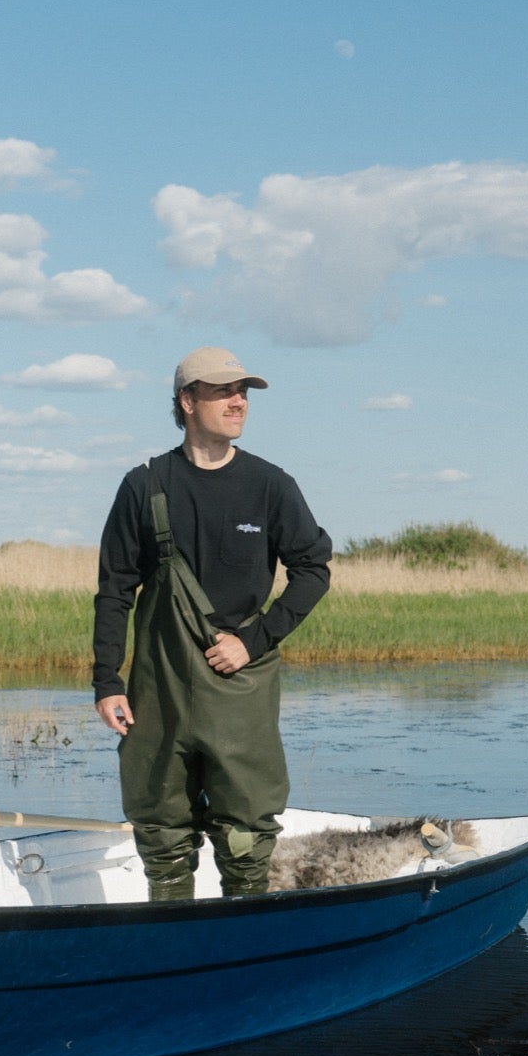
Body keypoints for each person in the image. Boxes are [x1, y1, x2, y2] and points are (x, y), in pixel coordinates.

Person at [93, 345, 332, 901]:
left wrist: (254, 640)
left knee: (246, 824)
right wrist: (108, 680)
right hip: (161, 679)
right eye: (223, 390)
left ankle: (242, 938)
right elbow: (114, 589)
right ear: (186, 400)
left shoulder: (270, 485)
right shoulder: (144, 485)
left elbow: (313, 571)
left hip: (241, 678)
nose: (238, 401)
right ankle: (169, 939)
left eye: (242, 391)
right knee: (160, 821)